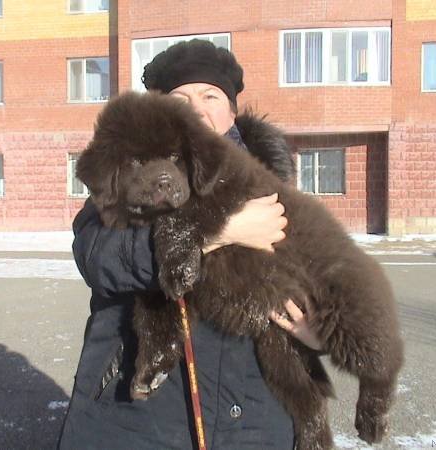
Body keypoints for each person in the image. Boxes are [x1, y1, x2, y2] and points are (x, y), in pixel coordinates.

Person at [57, 39, 323, 450]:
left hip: (255, 415)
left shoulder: (270, 187)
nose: (197, 108)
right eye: (180, 97)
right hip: (142, 411)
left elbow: (319, 280)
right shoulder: (127, 173)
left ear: (232, 110)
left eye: (210, 96)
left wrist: (320, 331)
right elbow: (97, 257)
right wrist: (217, 232)